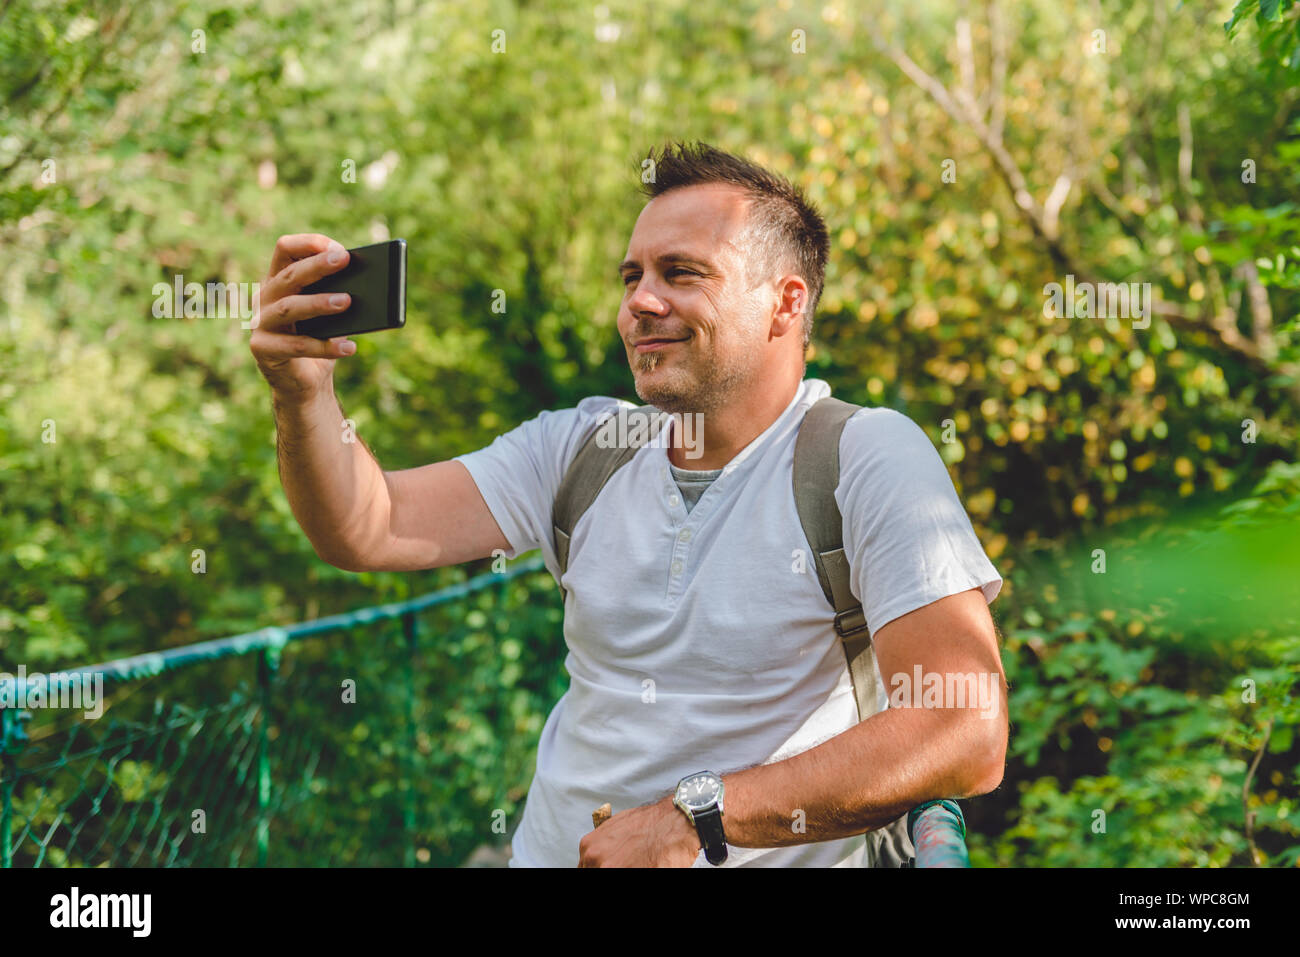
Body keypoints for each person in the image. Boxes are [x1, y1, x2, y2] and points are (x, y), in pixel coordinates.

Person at [249, 140, 1008, 868]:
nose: (641, 302)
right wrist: (303, 394)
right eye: (630, 276)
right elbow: (367, 526)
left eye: (682, 273)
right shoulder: (582, 446)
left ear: (785, 303)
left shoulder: (864, 457)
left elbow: (964, 728)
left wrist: (694, 816)